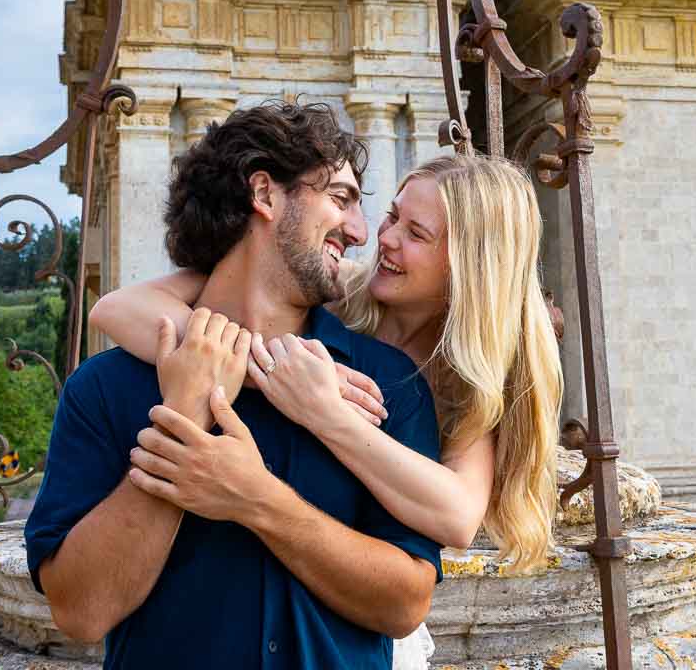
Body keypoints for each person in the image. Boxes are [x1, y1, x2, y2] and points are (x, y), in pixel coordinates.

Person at [91, 152, 564, 665]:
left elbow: (455, 516)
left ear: (472, 263)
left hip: (361, 612)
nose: (383, 238)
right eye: (393, 217)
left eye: (416, 234)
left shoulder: (474, 373)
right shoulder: (340, 291)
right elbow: (117, 309)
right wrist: (268, 366)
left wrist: (325, 412)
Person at [26, 102, 443, 669]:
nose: (361, 231)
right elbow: (81, 613)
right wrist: (182, 416)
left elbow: (405, 604)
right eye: (340, 199)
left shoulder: (386, 385)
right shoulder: (103, 387)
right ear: (266, 195)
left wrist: (257, 500)